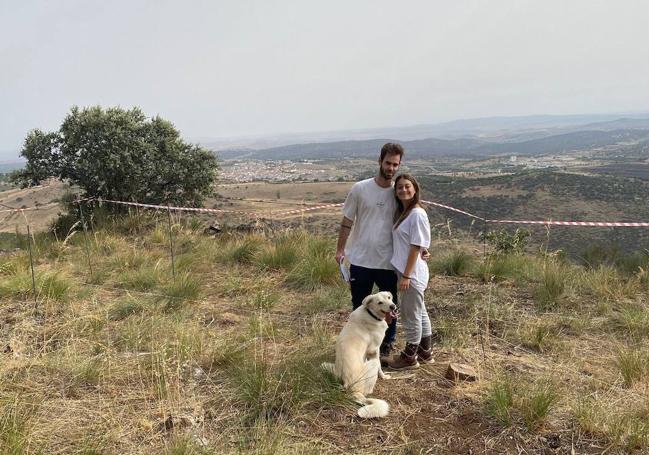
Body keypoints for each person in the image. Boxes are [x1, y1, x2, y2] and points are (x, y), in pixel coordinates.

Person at [336, 143, 404, 362]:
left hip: (387, 261)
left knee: (390, 309)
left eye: (395, 164)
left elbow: (410, 224)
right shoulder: (360, 188)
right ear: (379, 161)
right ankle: (359, 346)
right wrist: (340, 249)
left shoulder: (399, 193)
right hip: (361, 259)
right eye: (388, 163)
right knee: (359, 306)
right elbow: (347, 221)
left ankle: (386, 344)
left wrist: (421, 250)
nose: (391, 168)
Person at [386, 174, 433, 370]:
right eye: (399, 188)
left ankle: (409, 357)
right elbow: (417, 244)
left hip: (411, 274)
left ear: (415, 189)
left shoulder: (416, 213)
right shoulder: (405, 212)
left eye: (407, 187)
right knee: (419, 312)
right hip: (410, 270)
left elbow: (415, 246)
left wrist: (406, 276)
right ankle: (425, 352)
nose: (403, 190)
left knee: (410, 314)